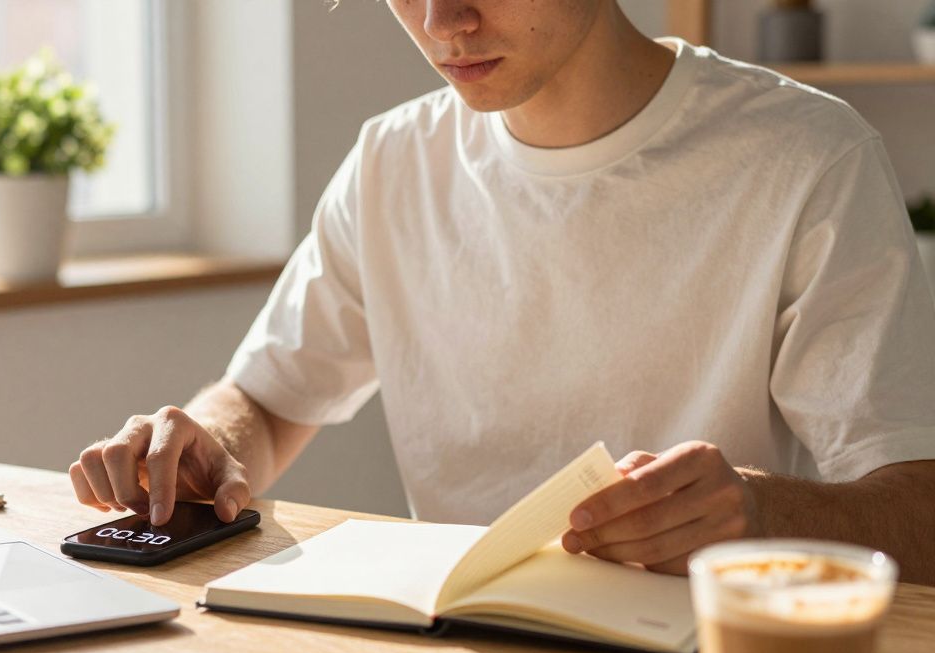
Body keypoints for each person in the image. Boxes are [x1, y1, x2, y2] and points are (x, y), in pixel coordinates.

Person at [69, 0, 935, 583]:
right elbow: (264, 401)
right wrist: (208, 448)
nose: (442, 21)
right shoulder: (392, 163)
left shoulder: (806, 158)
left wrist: (757, 511)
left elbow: (921, 509)